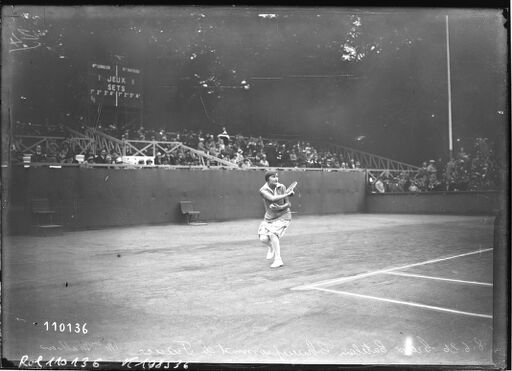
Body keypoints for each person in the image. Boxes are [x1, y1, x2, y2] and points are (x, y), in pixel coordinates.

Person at [258, 170, 295, 268]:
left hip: (284, 216)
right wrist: (287, 194)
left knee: (273, 234)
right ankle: (271, 247)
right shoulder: (263, 190)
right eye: (273, 176)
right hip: (269, 217)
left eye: (277, 176)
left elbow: (288, 204)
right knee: (263, 239)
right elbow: (272, 199)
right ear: (267, 179)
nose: (276, 178)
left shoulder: (281, 187)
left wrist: (280, 208)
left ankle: (278, 260)